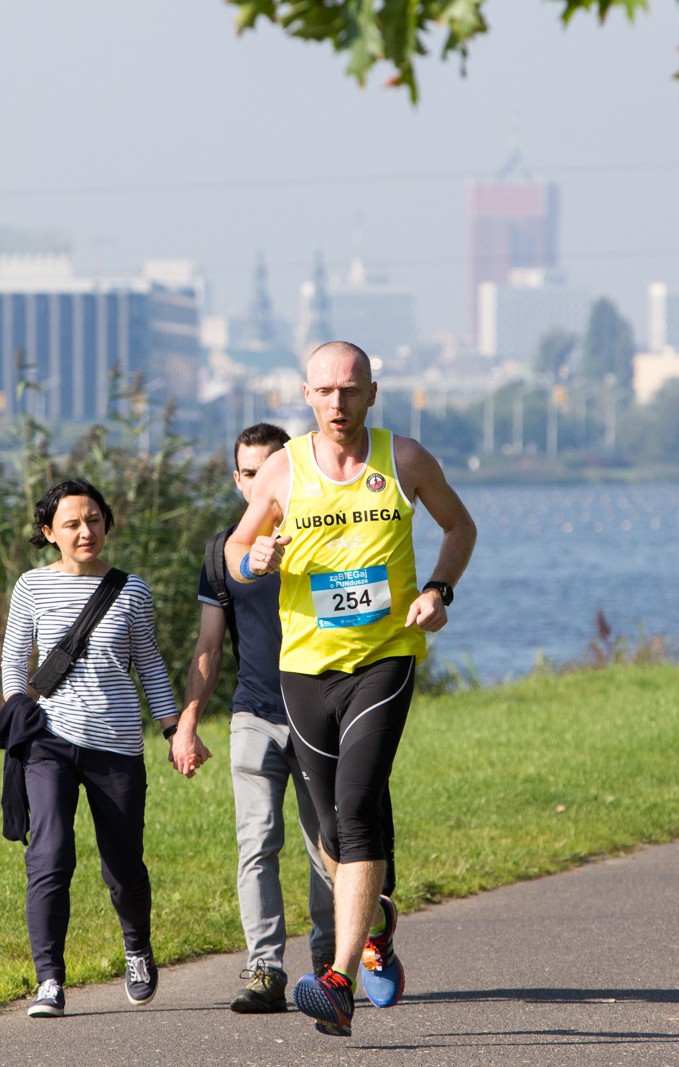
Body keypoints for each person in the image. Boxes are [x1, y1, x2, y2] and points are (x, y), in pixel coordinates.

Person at [225, 341, 477, 1037]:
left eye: (352, 390)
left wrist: (438, 588)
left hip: (384, 658)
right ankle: (376, 927)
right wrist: (257, 555)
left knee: (358, 802)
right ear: (307, 395)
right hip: (304, 668)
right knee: (331, 829)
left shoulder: (407, 459)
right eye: (326, 391)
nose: (339, 403)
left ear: (372, 393)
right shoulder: (282, 469)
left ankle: (336, 982)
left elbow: (460, 525)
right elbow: (235, 552)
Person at [166, 423, 340, 1013]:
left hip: (320, 714)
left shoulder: (326, 533)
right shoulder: (223, 553)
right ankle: (264, 970)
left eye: (271, 468)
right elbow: (209, 647)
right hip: (254, 716)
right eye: (248, 472)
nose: (259, 480)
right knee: (256, 844)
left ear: (289, 470)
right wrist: (187, 721)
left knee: (327, 846)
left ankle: (327, 965)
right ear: (238, 480)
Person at [0, 478, 181, 1018]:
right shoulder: (31, 588)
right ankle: (49, 981)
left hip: (118, 746)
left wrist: (175, 728)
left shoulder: (132, 590)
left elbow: (148, 663)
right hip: (49, 743)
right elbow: (13, 661)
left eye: (94, 519)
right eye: (73, 523)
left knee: (123, 867)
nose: (86, 531)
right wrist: (18, 708)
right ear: (48, 532)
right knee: (50, 855)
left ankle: (137, 948)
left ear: (106, 522)